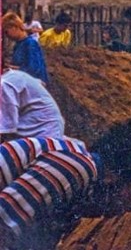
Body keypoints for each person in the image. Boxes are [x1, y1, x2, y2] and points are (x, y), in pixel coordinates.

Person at [0, 64, 99, 242]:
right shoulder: (17, 77)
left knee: (10, 215)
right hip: (49, 147)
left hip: (46, 147)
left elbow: (6, 128)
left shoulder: (6, 84)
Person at [2, 12, 49, 84]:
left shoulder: (30, 44)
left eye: (6, 32)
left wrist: (11, 69)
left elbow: (33, 69)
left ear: (14, 27)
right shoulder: (18, 45)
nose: (6, 35)